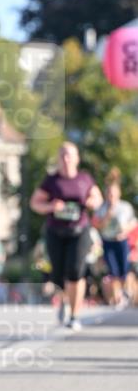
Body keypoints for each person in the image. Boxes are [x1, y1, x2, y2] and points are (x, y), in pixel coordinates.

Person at [30, 142, 103, 331]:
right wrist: (51, 207)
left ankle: (74, 315)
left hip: (79, 231)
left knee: (76, 271)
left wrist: (92, 201)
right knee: (59, 273)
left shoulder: (84, 179)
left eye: (69, 155)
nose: (65, 158)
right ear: (58, 158)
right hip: (56, 232)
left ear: (77, 158)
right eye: (62, 154)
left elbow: (98, 198)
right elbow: (35, 203)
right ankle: (64, 300)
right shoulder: (52, 181)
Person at [94, 168, 136, 308]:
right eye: (109, 193)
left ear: (119, 193)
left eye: (114, 193)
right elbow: (98, 225)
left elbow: (134, 222)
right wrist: (108, 213)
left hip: (122, 241)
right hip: (108, 241)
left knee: (124, 270)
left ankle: (125, 293)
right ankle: (117, 297)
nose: (111, 196)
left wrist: (126, 231)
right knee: (112, 271)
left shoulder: (125, 207)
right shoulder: (102, 208)